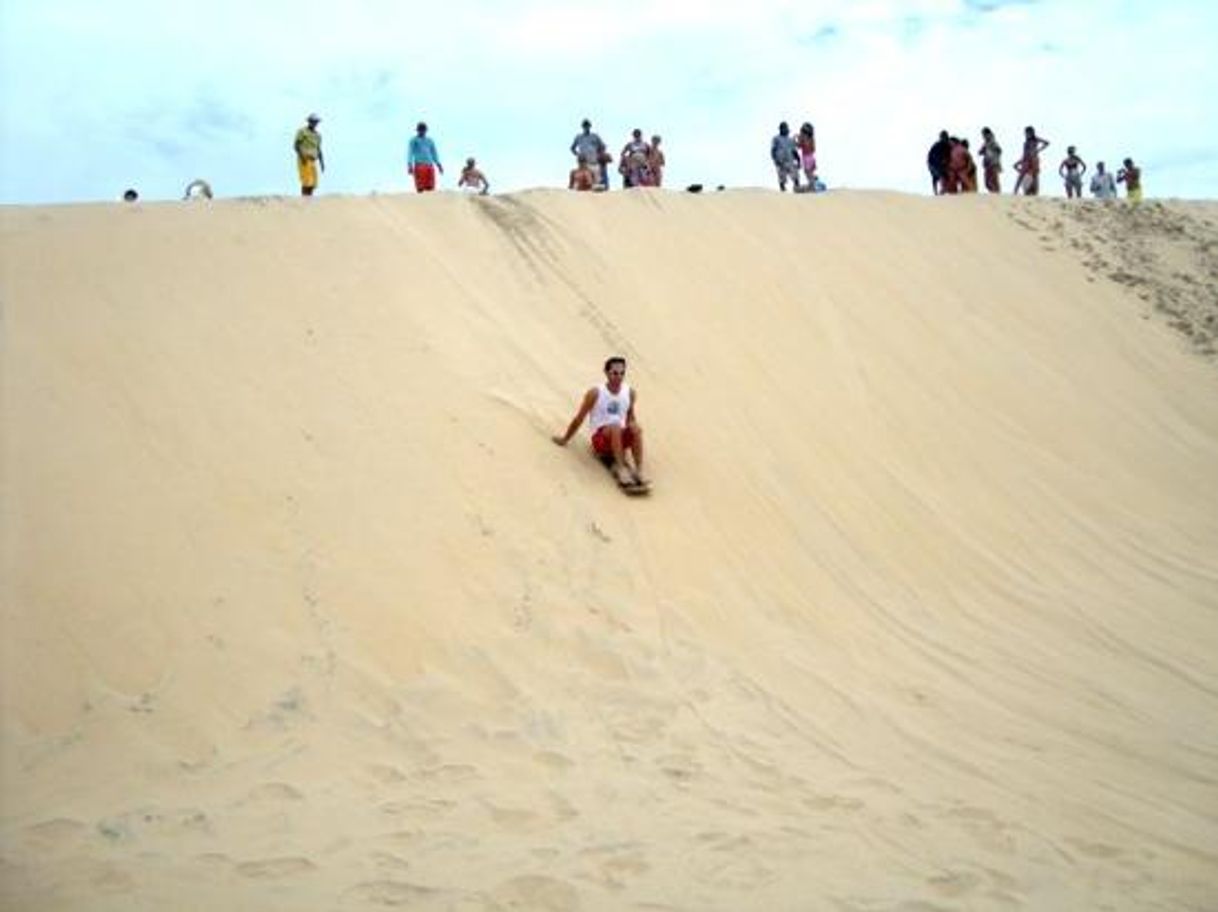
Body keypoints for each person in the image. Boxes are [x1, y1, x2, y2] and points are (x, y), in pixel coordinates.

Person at [552, 356, 648, 489]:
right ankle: (621, 470)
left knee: (636, 427)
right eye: (615, 373)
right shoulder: (595, 393)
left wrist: (632, 433)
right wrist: (565, 439)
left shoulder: (629, 393)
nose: (619, 377)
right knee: (615, 426)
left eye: (622, 373)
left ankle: (639, 471)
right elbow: (579, 418)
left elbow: (630, 417)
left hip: (618, 437)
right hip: (600, 440)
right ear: (606, 372)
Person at [407, 122, 443, 192]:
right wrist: (409, 165)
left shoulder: (430, 141)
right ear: (417, 130)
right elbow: (410, 153)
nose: (422, 131)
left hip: (429, 166)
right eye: (420, 130)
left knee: (430, 187)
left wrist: (439, 165)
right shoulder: (414, 140)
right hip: (419, 166)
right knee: (420, 188)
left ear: (426, 130)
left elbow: (434, 153)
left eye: (423, 130)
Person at [294, 113, 324, 196]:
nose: (314, 123)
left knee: (313, 182)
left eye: (316, 122)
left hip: (313, 160)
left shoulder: (318, 135)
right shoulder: (302, 132)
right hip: (304, 159)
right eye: (313, 121)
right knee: (306, 181)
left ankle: (309, 198)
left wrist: (322, 163)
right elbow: (296, 145)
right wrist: (302, 156)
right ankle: (304, 199)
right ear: (309, 122)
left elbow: (318, 149)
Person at [570, 119, 606, 188]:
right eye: (585, 126)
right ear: (582, 127)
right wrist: (578, 154)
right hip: (583, 162)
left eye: (587, 126)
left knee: (596, 180)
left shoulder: (595, 136)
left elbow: (602, 146)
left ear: (590, 126)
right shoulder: (579, 137)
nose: (586, 127)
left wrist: (599, 155)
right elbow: (572, 148)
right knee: (583, 179)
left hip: (594, 161)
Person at [1014, 126, 1049, 195]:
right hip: (1026, 160)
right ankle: (1015, 191)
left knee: (1035, 175)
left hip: (1033, 159)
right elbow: (1024, 153)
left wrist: (1038, 150)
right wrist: (1021, 161)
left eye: (1027, 133)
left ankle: (1036, 192)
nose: (1026, 135)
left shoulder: (1035, 139)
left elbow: (1046, 143)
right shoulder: (1026, 142)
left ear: (1031, 133)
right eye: (1026, 133)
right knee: (1021, 175)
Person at [771, 121, 801, 192]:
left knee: (795, 176)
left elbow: (794, 151)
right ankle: (783, 192)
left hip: (790, 161)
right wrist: (775, 160)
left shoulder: (790, 140)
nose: (785, 130)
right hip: (780, 161)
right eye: (783, 128)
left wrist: (798, 161)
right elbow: (773, 150)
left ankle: (798, 190)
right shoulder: (776, 138)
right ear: (781, 129)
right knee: (782, 179)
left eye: (786, 128)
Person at [979, 127, 1002, 193]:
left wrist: (992, 155)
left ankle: (996, 195)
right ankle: (994, 193)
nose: (983, 137)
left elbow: (999, 150)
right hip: (988, 164)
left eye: (984, 135)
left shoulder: (993, 142)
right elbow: (981, 151)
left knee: (993, 181)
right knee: (987, 182)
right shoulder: (986, 143)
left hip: (993, 163)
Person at [927, 130, 951, 195]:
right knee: (940, 177)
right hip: (935, 165)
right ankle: (939, 193)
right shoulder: (938, 146)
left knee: (941, 178)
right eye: (943, 137)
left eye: (945, 137)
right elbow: (930, 157)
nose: (944, 139)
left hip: (937, 165)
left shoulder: (946, 145)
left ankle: (940, 193)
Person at [797, 123, 817, 190]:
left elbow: (799, 146)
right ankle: (813, 183)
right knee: (810, 172)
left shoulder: (803, 138)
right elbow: (813, 149)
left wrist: (796, 139)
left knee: (808, 172)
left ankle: (812, 186)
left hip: (806, 158)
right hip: (812, 157)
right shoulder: (811, 139)